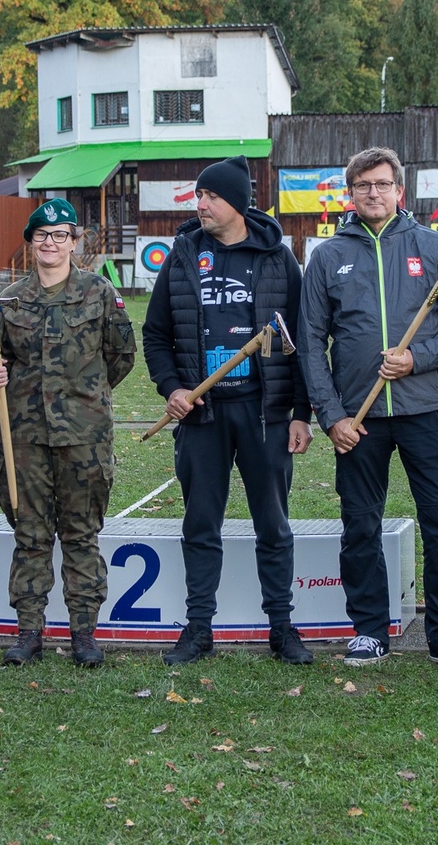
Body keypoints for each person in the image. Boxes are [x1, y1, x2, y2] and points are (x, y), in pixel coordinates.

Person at [299, 147, 438, 673]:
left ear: (399, 190)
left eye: (382, 184)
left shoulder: (434, 249)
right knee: (360, 525)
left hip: (426, 409)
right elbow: (312, 343)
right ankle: (367, 630)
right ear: (350, 192)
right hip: (357, 419)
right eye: (363, 186)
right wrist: (331, 416)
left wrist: (418, 359)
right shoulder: (327, 256)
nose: (373, 193)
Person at [143, 156, 314, 666]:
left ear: (237, 202)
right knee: (200, 524)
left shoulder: (278, 259)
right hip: (202, 417)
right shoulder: (182, 255)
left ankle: (282, 628)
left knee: (274, 525)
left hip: (266, 415)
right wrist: (172, 387)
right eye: (198, 195)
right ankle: (198, 629)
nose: (201, 204)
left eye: (211, 196)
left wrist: (301, 412)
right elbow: (156, 335)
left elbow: (301, 341)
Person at [0, 199, 135, 668]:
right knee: (30, 535)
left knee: (81, 534)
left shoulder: (99, 293)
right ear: (31, 243)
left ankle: (83, 633)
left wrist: (82, 395)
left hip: (84, 438)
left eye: (60, 235)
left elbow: (121, 357)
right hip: (24, 437)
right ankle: (29, 632)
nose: (51, 243)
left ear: (74, 242)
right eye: (42, 236)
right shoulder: (7, 301)